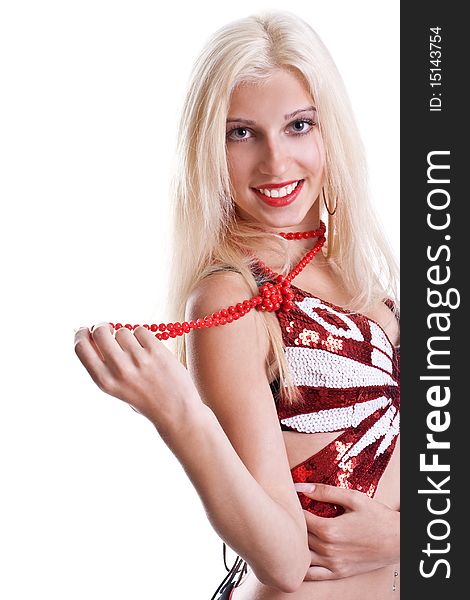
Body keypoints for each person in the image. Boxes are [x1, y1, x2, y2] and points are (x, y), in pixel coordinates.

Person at [74, 10, 400, 599]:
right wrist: (178, 414)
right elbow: (281, 560)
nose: (275, 162)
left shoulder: (376, 290)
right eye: (241, 133)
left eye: (298, 126)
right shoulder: (234, 296)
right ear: (208, 148)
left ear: (332, 131)